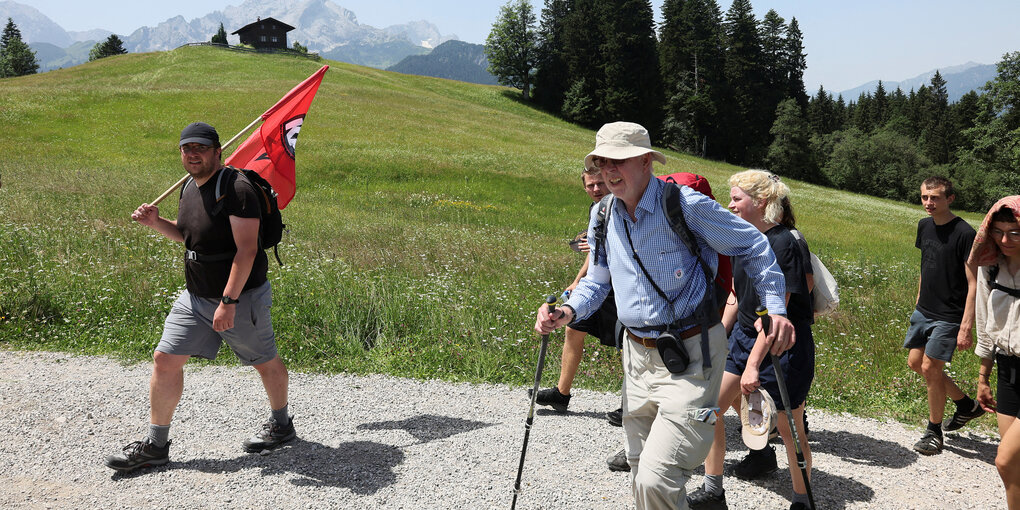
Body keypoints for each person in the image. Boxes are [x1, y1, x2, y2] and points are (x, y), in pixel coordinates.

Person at [535, 122, 795, 510]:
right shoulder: (603, 215)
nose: (608, 171)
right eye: (602, 162)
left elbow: (754, 244)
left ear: (645, 162)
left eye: (617, 161)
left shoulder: (685, 205)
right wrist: (568, 309)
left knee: (658, 476)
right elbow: (597, 281)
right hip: (635, 358)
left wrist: (775, 307)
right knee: (642, 474)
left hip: (692, 356)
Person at [106, 122, 296, 472]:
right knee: (165, 358)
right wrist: (156, 223)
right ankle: (156, 445)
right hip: (195, 296)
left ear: (218, 151)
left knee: (264, 361)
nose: (193, 153)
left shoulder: (237, 190)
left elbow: (247, 251)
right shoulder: (189, 188)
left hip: (240, 296)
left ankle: (282, 426)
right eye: (186, 148)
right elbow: (190, 238)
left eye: (201, 147)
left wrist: (229, 301)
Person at [688, 170, 815, 510]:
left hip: (781, 347)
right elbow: (734, 295)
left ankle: (802, 499)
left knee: (789, 428)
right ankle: (714, 490)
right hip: (743, 338)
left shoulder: (786, 242)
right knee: (709, 410)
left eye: (736, 199)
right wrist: (717, 335)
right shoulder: (746, 237)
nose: (729, 205)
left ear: (759, 203)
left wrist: (754, 364)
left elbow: (777, 316)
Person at [531, 164, 621, 426]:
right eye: (589, 185)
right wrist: (577, 282)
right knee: (574, 327)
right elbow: (597, 257)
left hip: (619, 288)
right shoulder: (598, 209)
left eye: (599, 184)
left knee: (628, 343)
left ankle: (630, 404)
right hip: (598, 286)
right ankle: (561, 393)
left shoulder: (617, 204)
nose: (595, 189)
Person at [904, 176, 983, 456]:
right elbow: (926, 266)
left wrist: (966, 326)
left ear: (950, 198)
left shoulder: (964, 233)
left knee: (930, 368)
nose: (929, 203)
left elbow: (974, 283)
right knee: (916, 363)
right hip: (924, 310)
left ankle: (933, 432)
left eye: (935, 197)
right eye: (925, 197)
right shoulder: (924, 225)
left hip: (949, 314)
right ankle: (966, 405)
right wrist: (917, 301)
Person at [968, 196, 1020, 508]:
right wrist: (982, 378)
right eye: (999, 232)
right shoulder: (991, 270)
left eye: (1014, 232)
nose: (1004, 240)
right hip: (1007, 371)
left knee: (1004, 460)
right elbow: (986, 326)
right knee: (1014, 466)